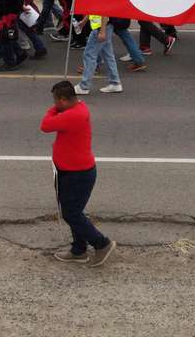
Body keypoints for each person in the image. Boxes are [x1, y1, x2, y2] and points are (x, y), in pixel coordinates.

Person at [41, 81, 116, 267]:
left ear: (64, 100)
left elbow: (45, 125)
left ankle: (102, 244)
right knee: (73, 211)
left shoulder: (73, 115)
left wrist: (53, 109)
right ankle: (78, 250)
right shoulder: (78, 107)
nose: (54, 103)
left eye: (56, 100)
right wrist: (59, 108)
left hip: (78, 174)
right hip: (69, 170)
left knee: (71, 213)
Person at [76, 14, 123, 93]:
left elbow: (104, 11)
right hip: (104, 26)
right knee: (108, 55)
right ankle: (115, 82)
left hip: (100, 27)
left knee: (89, 55)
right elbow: (94, 8)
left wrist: (102, 31)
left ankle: (84, 86)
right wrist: (84, 21)